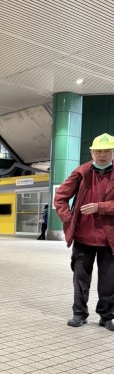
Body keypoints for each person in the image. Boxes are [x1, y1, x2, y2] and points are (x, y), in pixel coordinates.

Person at [54, 133, 114, 329]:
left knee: (109, 280)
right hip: (82, 237)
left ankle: (107, 316)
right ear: (92, 152)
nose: (102, 155)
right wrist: (68, 219)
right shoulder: (81, 172)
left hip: (109, 239)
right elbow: (60, 196)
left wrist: (101, 207)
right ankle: (79, 313)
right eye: (98, 151)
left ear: (113, 153)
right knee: (80, 279)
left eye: (107, 151)